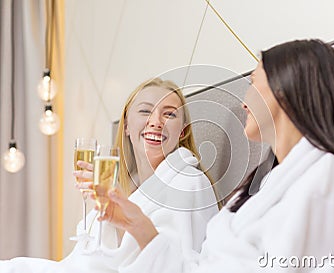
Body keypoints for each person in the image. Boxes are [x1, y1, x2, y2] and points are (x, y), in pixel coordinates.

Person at [98, 39, 334, 273]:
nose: (244, 100)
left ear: (286, 91)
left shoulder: (328, 178)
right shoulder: (264, 183)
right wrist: (141, 229)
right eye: (145, 111)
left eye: (253, 83)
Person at [0, 78, 219, 273]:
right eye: (145, 111)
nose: (155, 121)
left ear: (182, 131)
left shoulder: (189, 183)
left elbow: (176, 265)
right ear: (126, 125)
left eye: (169, 114)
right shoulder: (130, 190)